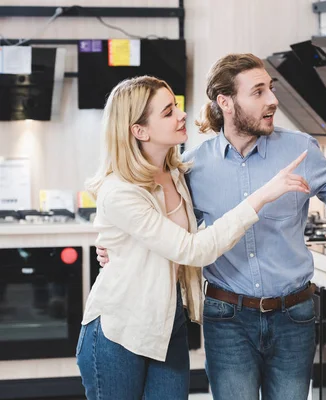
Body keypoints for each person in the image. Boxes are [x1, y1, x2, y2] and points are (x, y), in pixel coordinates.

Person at [98, 54, 326, 400]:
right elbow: (167, 229)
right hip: (227, 319)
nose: (272, 100)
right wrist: (114, 248)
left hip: (295, 317)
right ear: (225, 102)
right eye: (258, 92)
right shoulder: (192, 167)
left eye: (271, 88)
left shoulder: (300, 150)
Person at [77, 75, 310, 400]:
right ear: (139, 130)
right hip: (120, 330)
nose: (181, 114)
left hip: (167, 325)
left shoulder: (177, 174)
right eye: (168, 111)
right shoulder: (120, 192)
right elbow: (192, 249)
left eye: (177, 106)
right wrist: (262, 196)